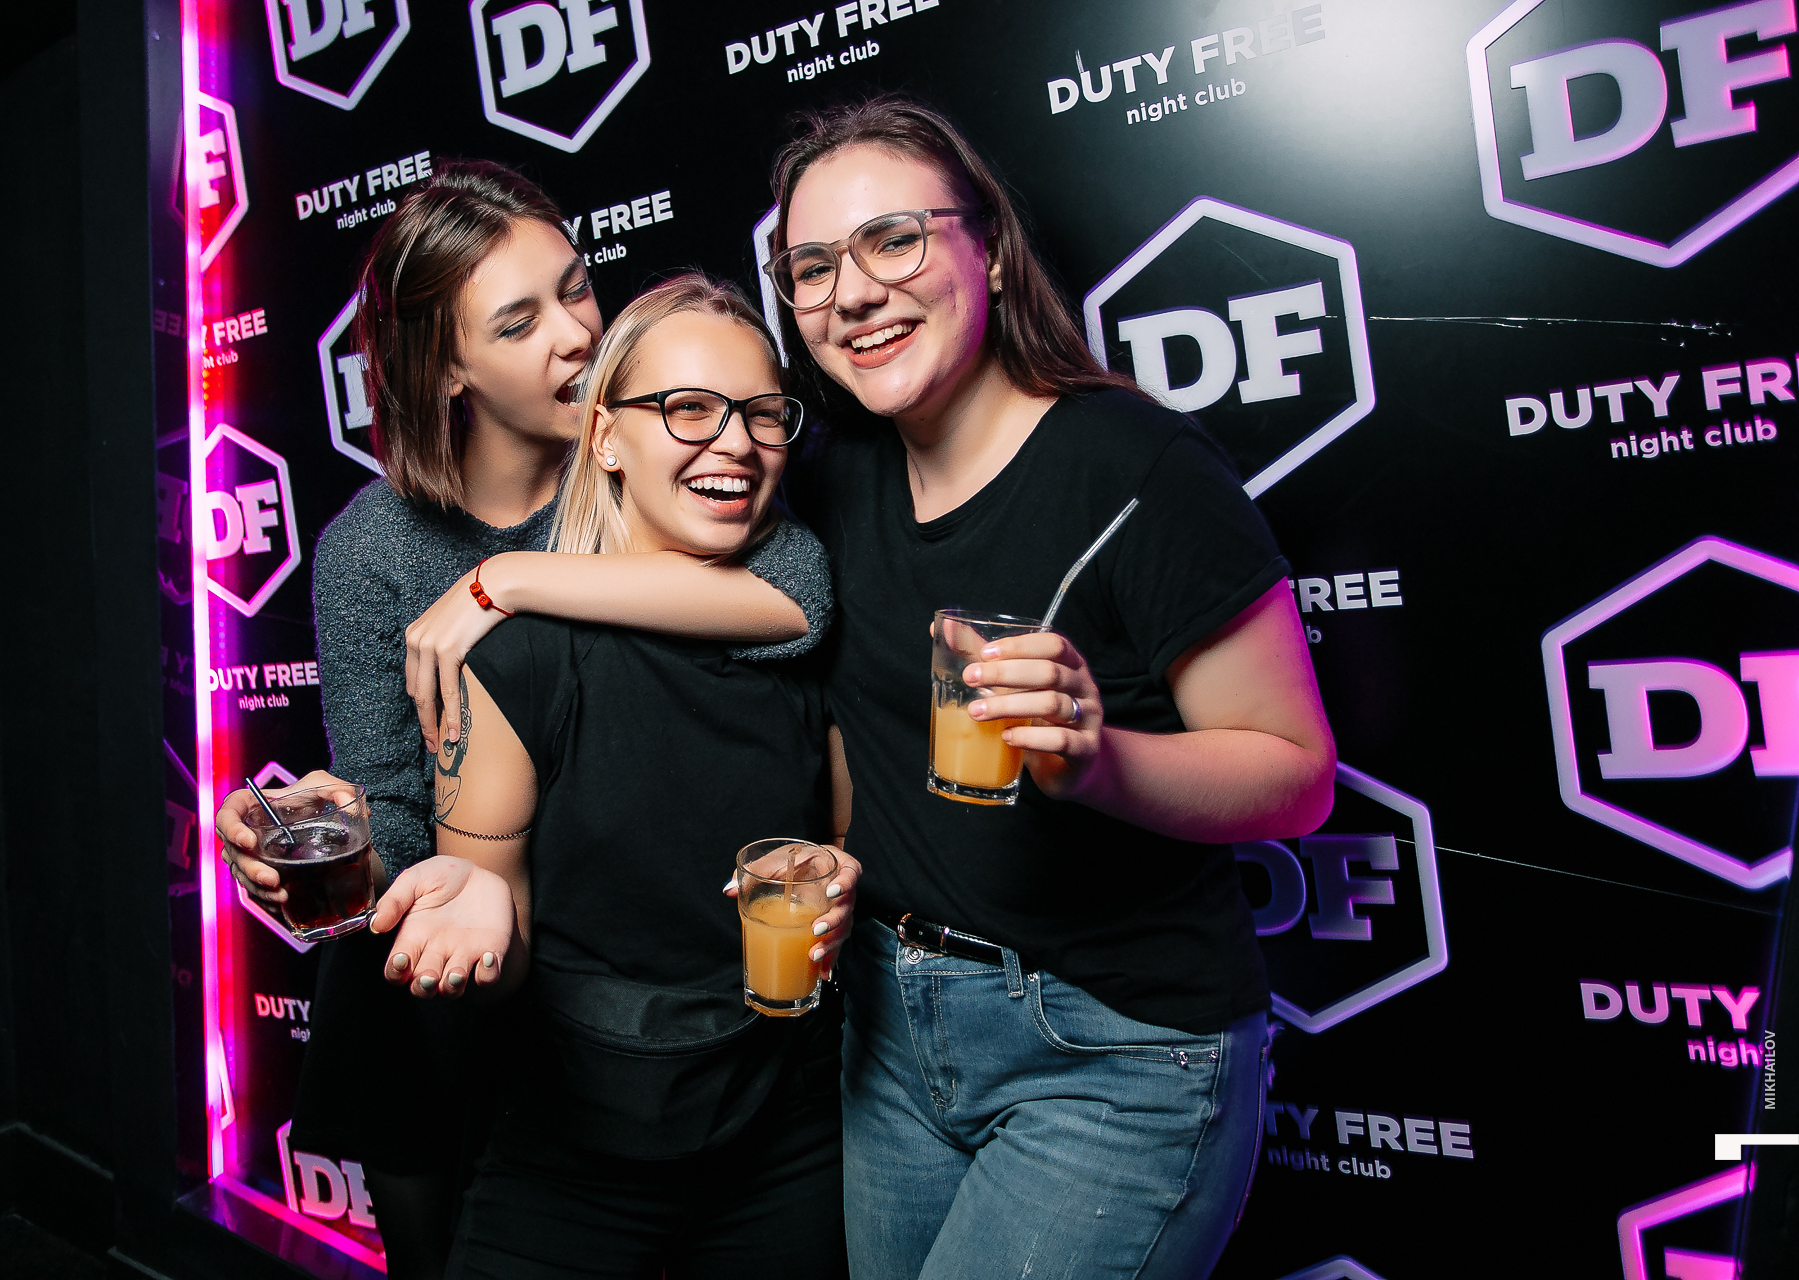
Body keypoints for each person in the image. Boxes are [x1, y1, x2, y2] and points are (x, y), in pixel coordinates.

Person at [213, 162, 831, 1278]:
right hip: (448, 980)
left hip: (637, 991)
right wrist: (328, 839)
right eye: (519, 321)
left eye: (575, 288)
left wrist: (507, 582)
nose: (576, 334)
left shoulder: (658, 459)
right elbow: (397, 813)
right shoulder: (370, 550)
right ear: (446, 365)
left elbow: (794, 596)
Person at [765, 98, 1337, 1279]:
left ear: (987, 246)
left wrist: (1098, 758)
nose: (853, 293)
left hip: (1112, 1050)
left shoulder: (1137, 466)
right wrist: (493, 588)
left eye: (893, 240)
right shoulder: (831, 475)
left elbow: (1298, 776)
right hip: (891, 1034)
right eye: (812, 267)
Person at [370, 273, 857, 1279]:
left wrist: (842, 875)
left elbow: (851, 847)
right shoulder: (514, 661)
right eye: (688, 408)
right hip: (569, 1152)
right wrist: (479, 920)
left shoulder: (807, 639)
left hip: (790, 1132)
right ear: (605, 439)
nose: (734, 443)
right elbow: (495, 955)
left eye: (762, 413)